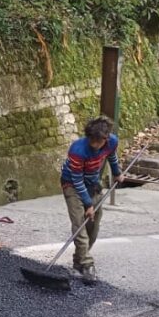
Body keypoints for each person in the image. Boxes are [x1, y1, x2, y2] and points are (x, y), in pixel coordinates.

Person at [60, 115, 123, 284]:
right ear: (89, 137)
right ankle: (87, 264)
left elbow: (112, 156)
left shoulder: (111, 142)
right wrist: (88, 204)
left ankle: (78, 262)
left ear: (106, 138)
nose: (95, 145)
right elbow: (77, 179)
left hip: (93, 183)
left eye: (99, 142)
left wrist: (117, 173)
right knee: (79, 223)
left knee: (93, 227)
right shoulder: (77, 150)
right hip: (72, 185)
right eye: (92, 141)